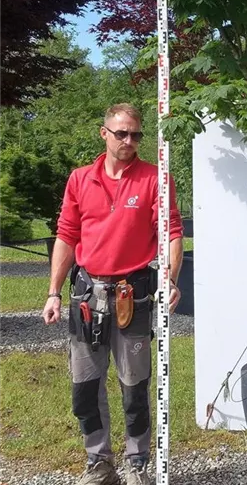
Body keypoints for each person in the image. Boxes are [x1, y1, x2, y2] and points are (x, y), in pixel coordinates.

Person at [42, 103, 184, 485]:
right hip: (87, 298)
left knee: (134, 387)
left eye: (136, 134)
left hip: (132, 298)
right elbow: (67, 235)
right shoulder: (79, 179)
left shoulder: (155, 178)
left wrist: (169, 277)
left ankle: (137, 464)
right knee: (85, 387)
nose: (129, 141)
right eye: (121, 133)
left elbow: (171, 231)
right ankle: (100, 463)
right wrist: (54, 292)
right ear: (103, 133)